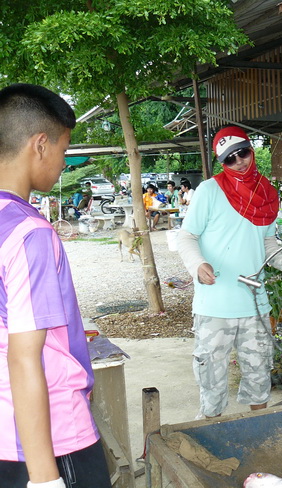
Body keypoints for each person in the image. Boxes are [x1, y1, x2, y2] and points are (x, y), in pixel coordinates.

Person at [0, 83, 111, 488]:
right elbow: (24, 356)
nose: (64, 162)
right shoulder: (29, 233)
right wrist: (45, 479)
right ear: (40, 144)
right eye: (64, 150)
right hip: (49, 438)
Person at [177, 125, 282, 419]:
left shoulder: (268, 193)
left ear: (251, 151)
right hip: (214, 305)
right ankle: (211, 432)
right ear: (222, 163)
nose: (239, 162)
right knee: (212, 380)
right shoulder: (209, 190)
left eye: (242, 153)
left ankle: (259, 430)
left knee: (260, 375)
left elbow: (267, 242)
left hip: (254, 305)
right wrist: (197, 264)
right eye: (230, 158)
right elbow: (186, 237)